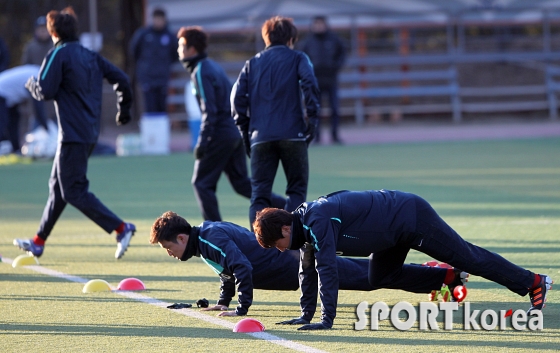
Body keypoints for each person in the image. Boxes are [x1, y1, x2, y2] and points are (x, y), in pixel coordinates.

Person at [253, 189, 553, 330]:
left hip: (410, 218)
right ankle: (445, 278)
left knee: (469, 257)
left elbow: (327, 268)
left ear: (284, 228)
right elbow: (307, 272)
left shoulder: (317, 219)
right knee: (378, 277)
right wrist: (305, 315)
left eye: (277, 243)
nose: (280, 250)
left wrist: (326, 320)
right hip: (390, 235)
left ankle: (534, 281)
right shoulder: (302, 230)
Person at [13, 7, 136, 259]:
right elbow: (122, 79)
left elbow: (45, 91)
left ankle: (121, 228)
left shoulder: (57, 54)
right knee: (57, 187)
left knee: (73, 190)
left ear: (53, 32)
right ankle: (38, 241)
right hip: (88, 132)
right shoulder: (90, 55)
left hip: (72, 135)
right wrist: (123, 110)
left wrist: (31, 85)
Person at [150, 211, 374, 317]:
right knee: (367, 274)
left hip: (291, 264)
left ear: (181, 238)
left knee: (370, 277)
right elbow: (226, 271)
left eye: (169, 248)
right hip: (287, 267)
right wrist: (223, 301)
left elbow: (242, 267)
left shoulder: (210, 237)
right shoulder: (203, 240)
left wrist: (241, 310)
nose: (170, 254)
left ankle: (405, 275)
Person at [177, 26, 285, 221]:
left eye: (181, 45)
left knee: (201, 183)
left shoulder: (200, 71)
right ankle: (286, 205)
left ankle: (215, 232)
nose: (179, 50)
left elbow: (210, 111)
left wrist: (202, 142)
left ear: (192, 49)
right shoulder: (212, 66)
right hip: (233, 132)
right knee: (241, 183)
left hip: (220, 133)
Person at [231, 16, 320, 227]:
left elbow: (236, 100)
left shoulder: (252, 64)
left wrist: (246, 133)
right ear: (291, 38)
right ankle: (293, 244)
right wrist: (312, 121)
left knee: (259, 195)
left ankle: (259, 245)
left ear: (266, 38)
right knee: (296, 191)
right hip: (293, 134)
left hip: (260, 136)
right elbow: (310, 84)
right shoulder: (298, 58)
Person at [300, 16, 346, 144]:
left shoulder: (334, 39)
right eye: (316, 24)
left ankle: (335, 136)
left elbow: (342, 54)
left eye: (321, 24)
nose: (319, 27)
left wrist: (335, 67)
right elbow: (302, 58)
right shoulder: (308, 41)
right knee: (315, 110)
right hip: (315, 81)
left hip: (331, 79)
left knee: (335, 109)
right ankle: (316, 137)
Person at [129, 7, 177, 113]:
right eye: (156, 19)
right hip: (147, 78)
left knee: (162, 107)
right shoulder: (143, 34)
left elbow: (175, 54)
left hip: (162, 77)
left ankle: (161, 129)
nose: (158, 22)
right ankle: (151, 129)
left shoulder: (169, 36)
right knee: (149, 107)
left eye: (161, 19)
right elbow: (134, 51)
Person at [0, 65, 48, 154]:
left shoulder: (35, 71)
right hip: (2, 94)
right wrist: (46, 127)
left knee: (13, 123)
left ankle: (16, 150)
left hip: (9, 98)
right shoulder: (37, 76)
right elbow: (37, 105)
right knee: (2, 122)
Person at [21, 16, 53, 132]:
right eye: (40, 29)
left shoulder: (54, 46)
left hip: (53, 94)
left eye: (45, 28)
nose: (43, 31)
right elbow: (25, 68)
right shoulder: (30, 47)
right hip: (36, 91)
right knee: (36, 123)